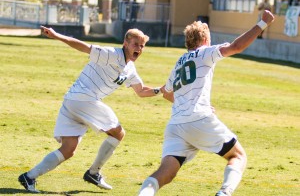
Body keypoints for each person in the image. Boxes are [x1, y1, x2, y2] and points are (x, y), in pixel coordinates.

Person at [138, 10, 275, 196]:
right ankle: (224, 193)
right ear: (204, 39)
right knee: (238, 155)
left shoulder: (179, 61)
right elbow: (236, 46)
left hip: (176, 124)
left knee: (164, 174)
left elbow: (167, 94)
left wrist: (188, 104)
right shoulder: (206, 53)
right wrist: (262, 24)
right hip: (199, 119)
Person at [18, 26, 163, 193]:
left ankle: (29, 177)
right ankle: (93, 173)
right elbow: (83, 46)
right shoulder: (111, 54)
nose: (139, 48)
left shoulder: (130, 68)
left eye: (142, 46)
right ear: (125, 43)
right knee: (118, 133)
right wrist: (56, 35)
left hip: (73, 101)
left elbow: (141, 91)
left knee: (68, 149)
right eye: (135, 44)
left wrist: (162, 89)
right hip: (84, 99)